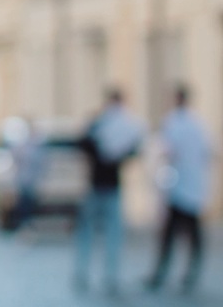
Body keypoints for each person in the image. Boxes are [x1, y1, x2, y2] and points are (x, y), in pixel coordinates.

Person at [73, 88, 144, 295]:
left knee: (96, 233)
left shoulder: (101, 123)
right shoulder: (102, 123)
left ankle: (93, 274)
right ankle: (97, 274)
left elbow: (83, 144)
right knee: (103, 234)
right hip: (104, 186)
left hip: (102, 186)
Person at [144, 86, 215, 294]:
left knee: (169, 236)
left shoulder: (173, 123)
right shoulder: (198, 125)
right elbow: (209, 153)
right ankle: (190, 274)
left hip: (178, 188)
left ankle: (162, 274)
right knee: (193, 235)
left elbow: (166, 153)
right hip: (193, 187)